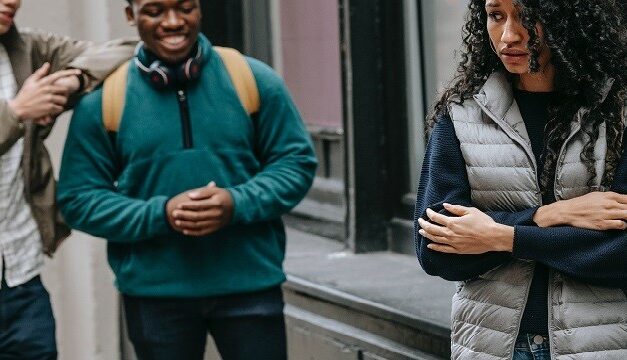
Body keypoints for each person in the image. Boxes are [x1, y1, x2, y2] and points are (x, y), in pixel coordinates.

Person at [57, 0, 317, 359]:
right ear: (130, 15)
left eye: (185, 7)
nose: (173, 22)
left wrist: (235, 203)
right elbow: (78, 198)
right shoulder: (103, 101)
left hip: (250, 287)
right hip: (155, 298)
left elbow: (296, 163)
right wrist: (162, 214)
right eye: (155, 11)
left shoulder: (253, 79)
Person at [414, 0, 626, 359]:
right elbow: (436, 251)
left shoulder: (617, 112)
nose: (509, 36)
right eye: (496, 16)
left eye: (530, 18)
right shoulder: (462, 114)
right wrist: (549, 216)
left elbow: (619, 254)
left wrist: (499, 236)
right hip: (492, 346)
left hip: (600, 344)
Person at [0, 0, 135, 358]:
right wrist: (16, 113)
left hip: (19, 275)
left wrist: (75, 77)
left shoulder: (27, 48)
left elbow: (128, 49)